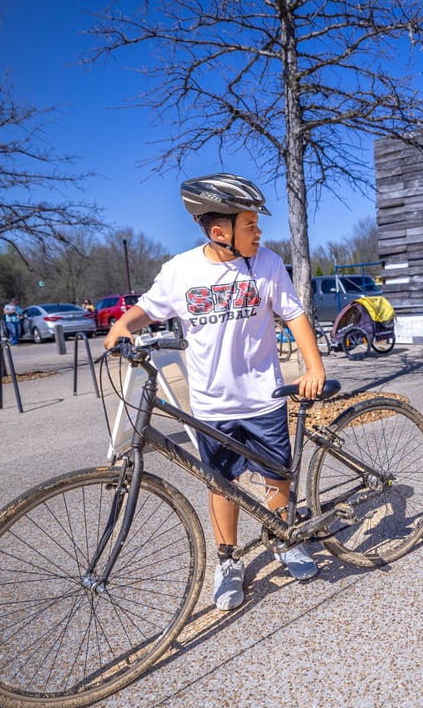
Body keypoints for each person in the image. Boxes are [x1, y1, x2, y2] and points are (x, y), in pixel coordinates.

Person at [103, 172, 327, 611]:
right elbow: (146, 310)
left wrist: (313, 366)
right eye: (250, 225)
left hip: (263, 395)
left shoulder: (267, 264)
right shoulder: (180, 271)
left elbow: (295, 316)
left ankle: (284, 539)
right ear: (220, 231)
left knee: (277, 475)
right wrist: (120, 327)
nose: (259, 232)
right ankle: (227, 561)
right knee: (222, 483)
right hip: (211, 403)